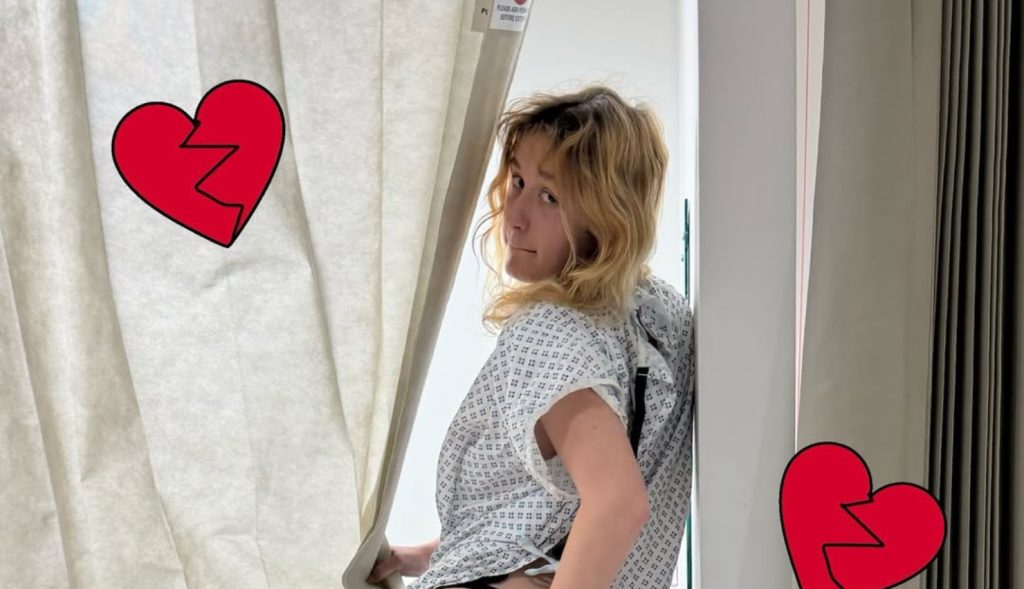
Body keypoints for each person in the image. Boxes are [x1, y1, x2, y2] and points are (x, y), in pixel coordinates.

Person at [368, 84, 695, 589]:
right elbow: (552, 517)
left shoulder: (550, 330)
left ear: (606, 218)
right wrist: (427, 557)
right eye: (517, 180)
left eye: (548, 197)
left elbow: (617, 503)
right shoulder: (658, 316)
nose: (514, 217)